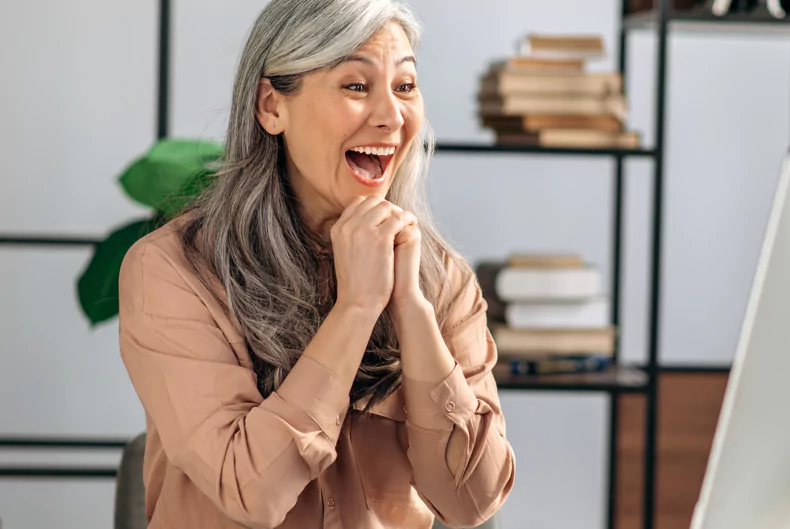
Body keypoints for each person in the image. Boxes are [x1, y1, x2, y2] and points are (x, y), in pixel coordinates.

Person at [117, 1, 515, 527]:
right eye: (356, 86)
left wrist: (412, 309)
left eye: (404, 86)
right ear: (270, 107)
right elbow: (250, 491)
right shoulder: (172, 270)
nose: (392, 116)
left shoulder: (443, 280)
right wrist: (355, 309)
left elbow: (473, 502)